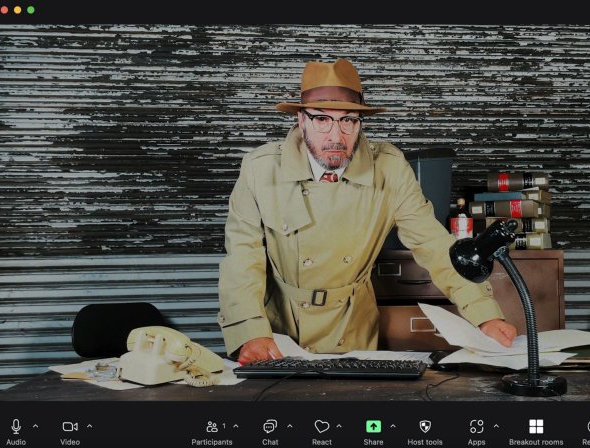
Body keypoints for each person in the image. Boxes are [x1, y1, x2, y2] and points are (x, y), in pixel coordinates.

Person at [217, 58, 517, 364]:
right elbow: (242, 258)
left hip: (353, 329)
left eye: (348, 120)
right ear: (301, 119)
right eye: (322, 119)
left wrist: (485, 316)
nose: (336, 136)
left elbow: (435, 245)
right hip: (278, 333)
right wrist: (250, 332)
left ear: (360, 123)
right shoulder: (259, 170)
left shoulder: (389, 168)